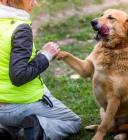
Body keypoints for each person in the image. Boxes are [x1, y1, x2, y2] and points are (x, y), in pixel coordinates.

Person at [0, 0, 81, 140]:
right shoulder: (20, 28)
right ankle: (38, 131)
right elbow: (19, 75)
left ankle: (5, 130)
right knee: (73, 122)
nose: (35, 2)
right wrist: (46, 55)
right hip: (19, 105)